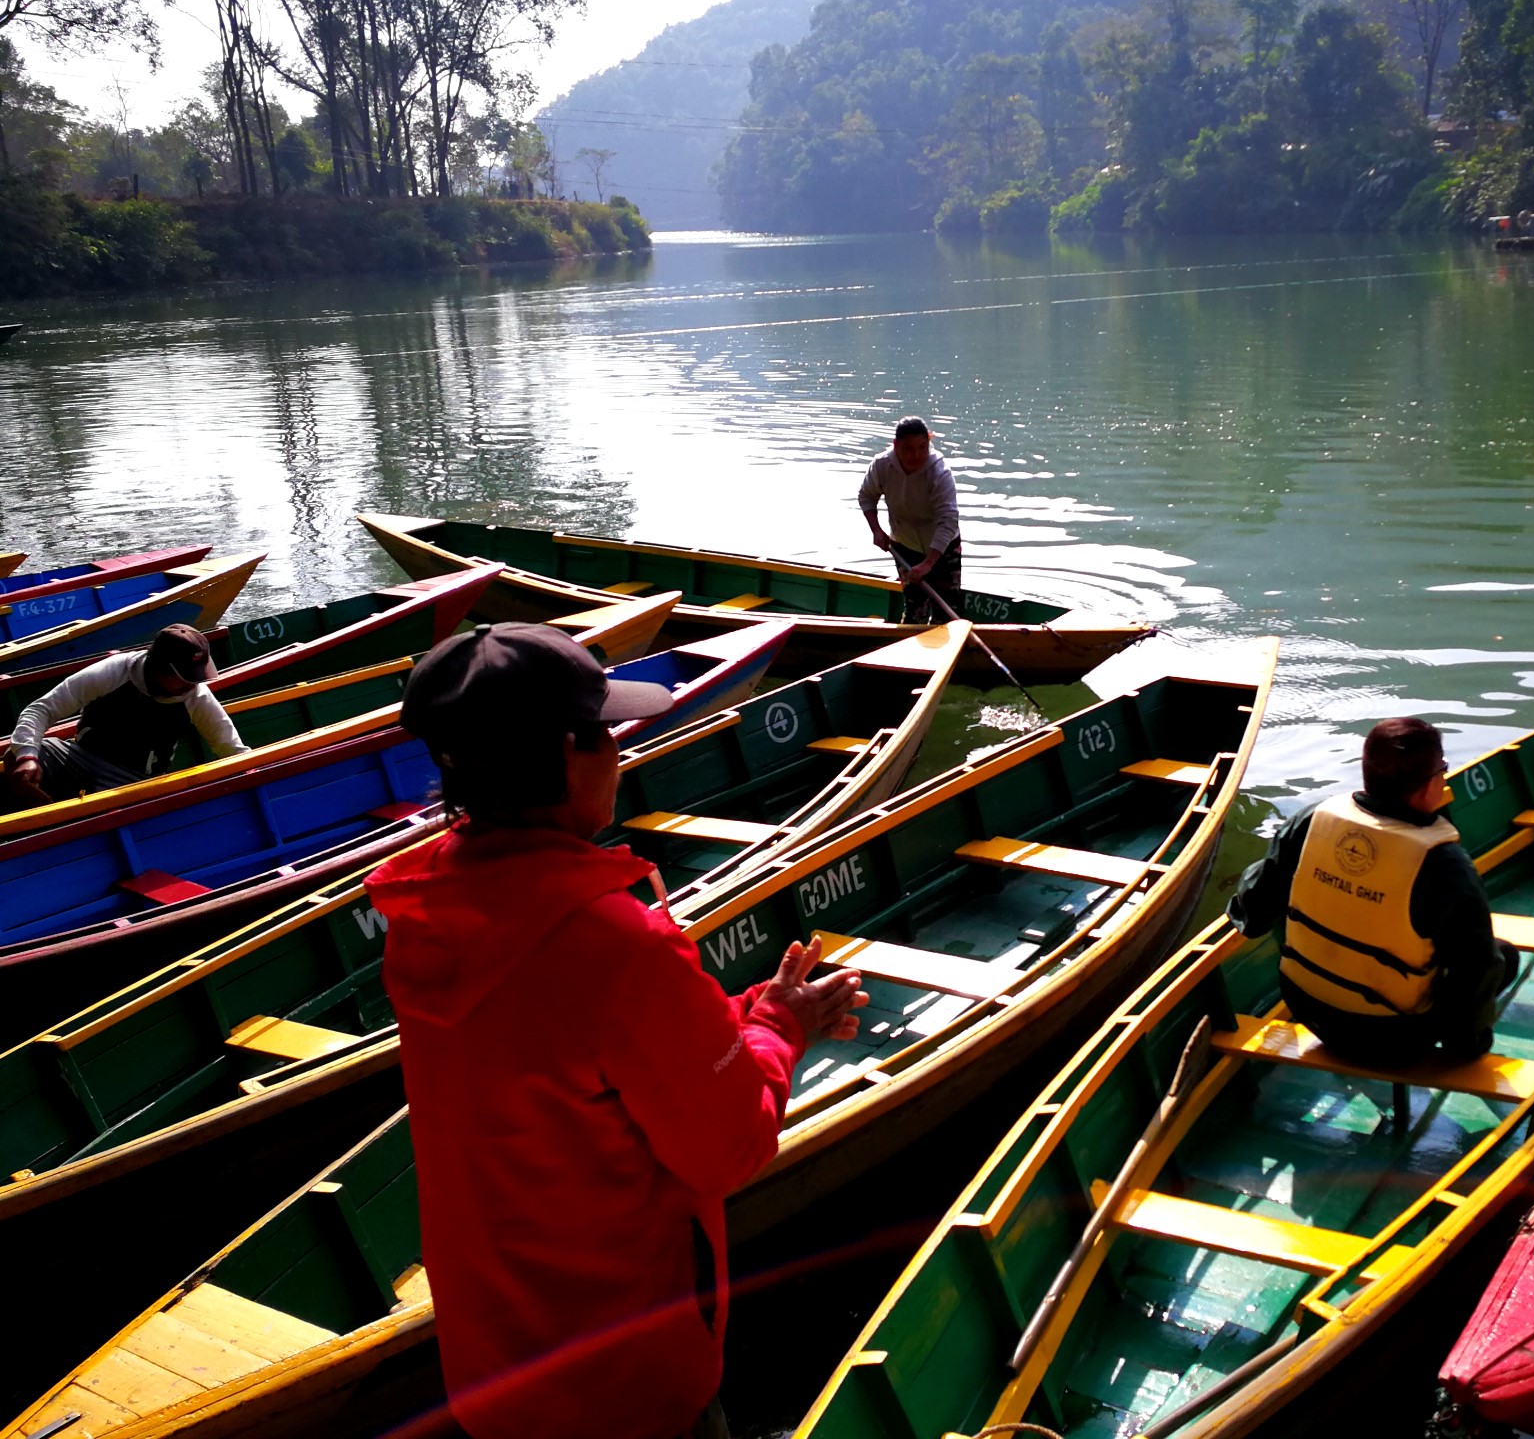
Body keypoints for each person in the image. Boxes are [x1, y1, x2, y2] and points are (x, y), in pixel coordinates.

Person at [365, 622, 865, 1439]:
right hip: (627, 1382)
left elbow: (566, 1066)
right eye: (604, 735)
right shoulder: (615, 946)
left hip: (495, 1367)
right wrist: (779, 1024)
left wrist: (732, 1019)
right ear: (565, 756)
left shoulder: (426, 912)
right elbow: (728, 1145)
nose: (619, 754)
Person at [1227, 716, 1518, 1067]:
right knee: (1502, 957)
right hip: (1393, 1035)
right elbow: (1476, 967)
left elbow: (1252, 912)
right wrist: (1467, 1047)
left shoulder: (1310, 821)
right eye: (1442, 769)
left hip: (1305, 1006)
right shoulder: (1443, 864)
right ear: (1429, 786)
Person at [3, 623, 249, 807]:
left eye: (197, 677)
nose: (193, 685)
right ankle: (44, 818)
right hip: (81, 756)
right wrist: (28, 756)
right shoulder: (113, 673)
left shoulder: (196, 697)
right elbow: (41, 709)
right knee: (18, 757)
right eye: (185, 677)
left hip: (137, 781)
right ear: (158, 667)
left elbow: (231, 749)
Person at [858, 415, 963, 623]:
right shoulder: (882, 465)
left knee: (947, 612)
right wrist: (876, 530)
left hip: (943, 548)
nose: (916, 455)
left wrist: (928, 562)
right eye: (908, 449)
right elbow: (866, 496)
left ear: (929, 442)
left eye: (922, 447)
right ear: (895, 445)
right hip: (904, 546)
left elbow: (948, 520)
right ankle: (910, 647)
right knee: (915, 608)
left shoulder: (939, 472)